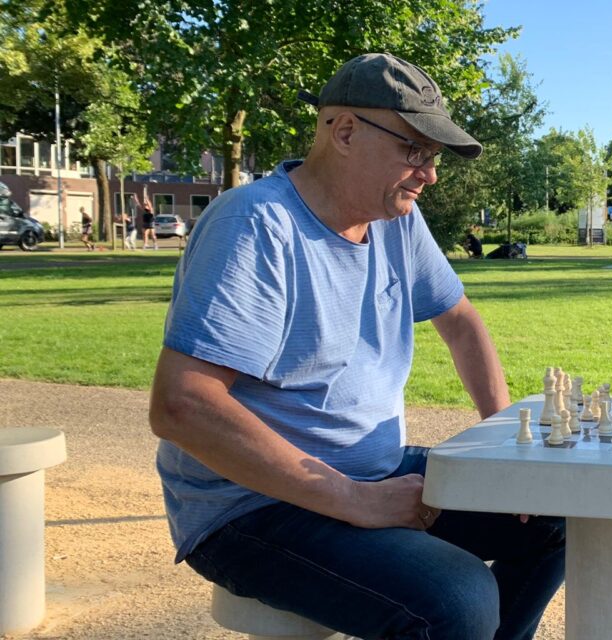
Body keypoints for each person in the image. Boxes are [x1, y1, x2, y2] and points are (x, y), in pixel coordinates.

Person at [149, 53, 565, 640]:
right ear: (344, 131)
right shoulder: (256, 225)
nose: (430, 174)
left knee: (556, 512)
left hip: (373, 473)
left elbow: (462, 321)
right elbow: (181, 406)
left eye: (434, 156)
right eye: (414, 150)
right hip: (249, 506)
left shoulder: (397, 220)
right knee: (458, 596)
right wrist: (351, 499)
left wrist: (506, 456)